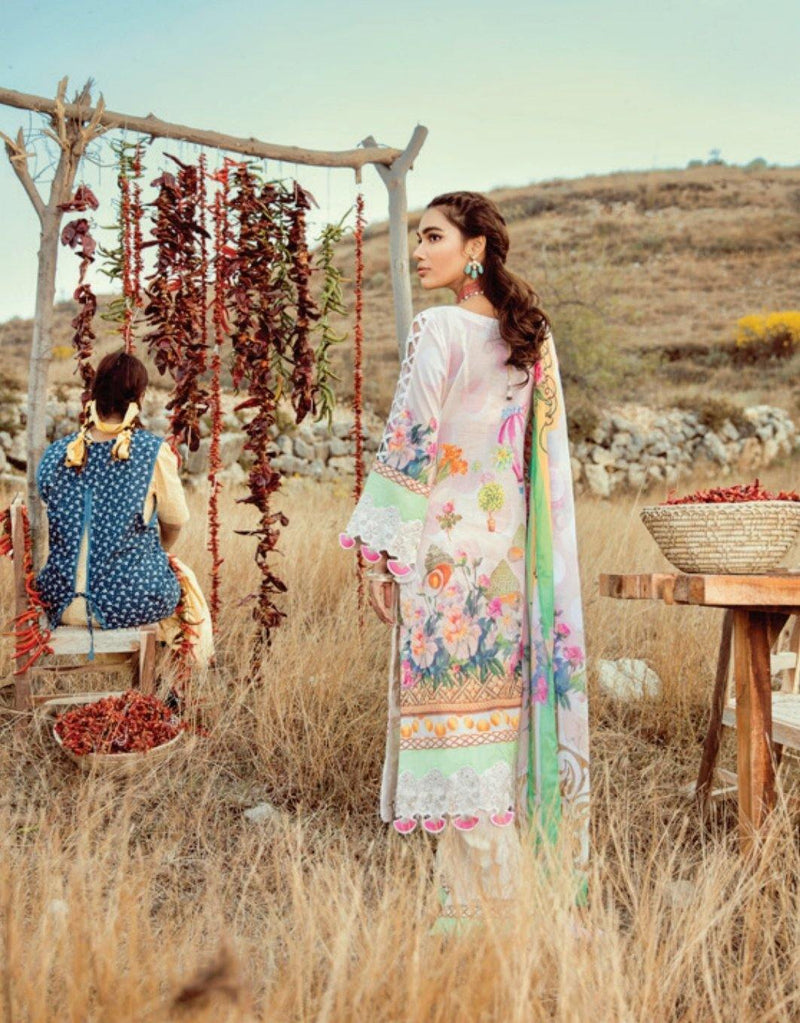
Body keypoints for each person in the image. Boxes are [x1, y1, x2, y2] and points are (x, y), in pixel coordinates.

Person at [339, 191, 589, 926]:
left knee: (455, 742)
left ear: (473, 246)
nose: (418, 252)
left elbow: (411, 443)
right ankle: (481, 915)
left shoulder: (439, 327)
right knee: (489, 745)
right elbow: (539, 464)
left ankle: (499, 919)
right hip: (509, 569)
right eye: (418, 238)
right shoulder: (529, 339)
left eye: (432, 236)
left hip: (444, 568)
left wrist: (383, 556)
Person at [36, 349, 213, 673]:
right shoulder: (152, 451)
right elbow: (175, 522)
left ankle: (135, 677)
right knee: (181, 586)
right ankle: (164, 685)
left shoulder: (58, 452)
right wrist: (160, 551)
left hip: (59, 601)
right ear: (139, 397)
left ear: (95, 392)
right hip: (125, 604)